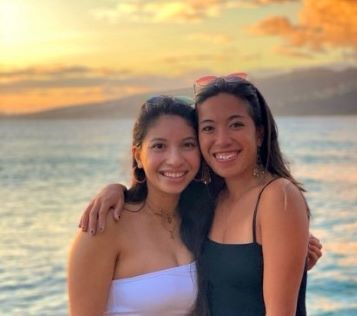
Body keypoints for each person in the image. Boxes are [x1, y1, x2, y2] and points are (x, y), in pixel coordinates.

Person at [80, 74, 323, 315]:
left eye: (236, 124)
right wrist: (118, 190)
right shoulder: (208, 200)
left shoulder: (277, 196)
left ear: (259, 134)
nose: (222, 139)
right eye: (208, 128)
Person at [67, 96, 213, 315]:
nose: (174, 159)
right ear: (138, 156)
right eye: (159, 146)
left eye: (188, 145)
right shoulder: (105, 224)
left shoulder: (205, 215)